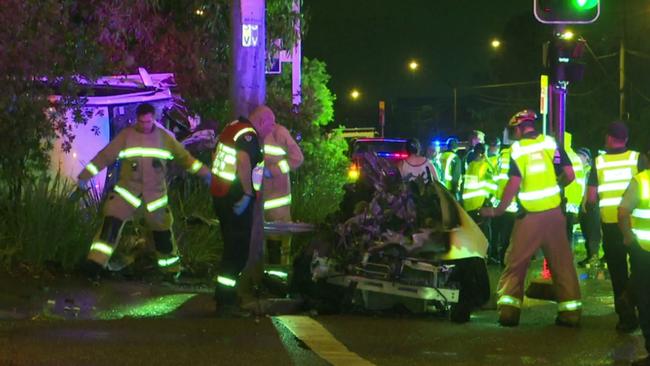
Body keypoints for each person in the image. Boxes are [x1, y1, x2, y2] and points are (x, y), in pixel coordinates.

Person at [78, 103, 212, 277]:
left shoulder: (164, 138)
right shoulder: (127, 136)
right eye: (141, 122)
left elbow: (185, 159)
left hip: (155, 197)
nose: (144, 125)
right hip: (127, 192)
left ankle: (171, 271)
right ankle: (94, 266)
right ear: (137, 119)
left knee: (163, 235)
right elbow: (106, 155)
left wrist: (205, 174)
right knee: (110, 227)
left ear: (153, 119)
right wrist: (85, 175)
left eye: (148, 122)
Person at [480, 109, 581, 327]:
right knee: (562, 263)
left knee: (516, 262)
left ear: (518, 128)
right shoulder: (551, 143)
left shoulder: (517, 150)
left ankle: (509, 311)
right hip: (555, 215)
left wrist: (497, 210)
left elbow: (514, 184)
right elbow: (570, 175)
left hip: (530, 218)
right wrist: (556, 186)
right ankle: (570, 313)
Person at [587, 121, 646, 332]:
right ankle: (635, 302)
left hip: (611, 225)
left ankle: (626, 317)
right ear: (626, 139)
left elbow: (591, 198)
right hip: (635, 224)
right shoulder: (638, 158)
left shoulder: (598, 162)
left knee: (617, 270)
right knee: (640, 269)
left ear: (608, 138)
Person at [211, 117, 264, 315]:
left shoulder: (230, 129)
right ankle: (226, 302)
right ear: (263, 122)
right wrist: (248, 193)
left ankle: (225, 296)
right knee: (238, 251)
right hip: (236, 196)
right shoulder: (247, 134)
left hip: (222, 195)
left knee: (231, 247)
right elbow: (243, 160)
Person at [249, 105, 304, 266]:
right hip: (259, 198)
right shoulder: (253, 136)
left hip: (278, 200)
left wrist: (272, 171)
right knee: (262, 240)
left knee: (279, 240)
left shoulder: (279, 133)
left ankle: (278, 277)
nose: (271, 127)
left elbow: (297, 158)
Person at [618, 170, 650, 366]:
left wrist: (628, 236)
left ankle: (629, 295)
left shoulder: (642, 181)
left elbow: (622, 211)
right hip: (645, 252)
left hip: (645, 251)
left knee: (646, 300)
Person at [461, 143, 494, 255]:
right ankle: (486, 255)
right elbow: (492, 185)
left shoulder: (470, 165)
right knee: (485, 231)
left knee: (473, 233)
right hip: (481, 203)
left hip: (469, 205)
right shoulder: (485, 166)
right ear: (483, 153)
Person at [575, 147, 602, 267]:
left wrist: (585, 203)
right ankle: (590, 256)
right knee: (586, 232)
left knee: (592, 233)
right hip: (582, 205)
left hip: (590, 205)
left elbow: (588, 187)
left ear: (586, 157)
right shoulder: (580, 170)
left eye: (580, 155)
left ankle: (594, 259)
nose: (577, 157)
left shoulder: (590, 170)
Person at [563, 132, 586, 246]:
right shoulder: (575, 157)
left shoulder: (561, 155)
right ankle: (568, 257)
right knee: (568, 231)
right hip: (574, 201)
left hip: (563, 198)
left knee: (560, 232)